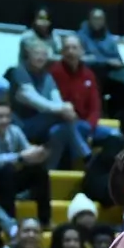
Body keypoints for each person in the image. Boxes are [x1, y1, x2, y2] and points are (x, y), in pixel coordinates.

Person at [0, 99, 53, 229]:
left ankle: (45, 220)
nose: (4, 120)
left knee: (39, 171)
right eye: (0, 116)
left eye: (7, 116)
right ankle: (10, 220)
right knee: (7, 170)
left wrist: (38, 153)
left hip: (9, 177)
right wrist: (21, 157)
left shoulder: (14, 130)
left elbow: (27, 150)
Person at [12, 35, 90, 166]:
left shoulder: (47, 75)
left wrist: (65, 108)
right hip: (22, 125)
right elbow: (34, 100)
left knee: (61, 129)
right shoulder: (19, 71)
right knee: (63, 119)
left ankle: (49, 171)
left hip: (44, 123)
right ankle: (85, 155)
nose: (41, 57)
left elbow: (56, 98)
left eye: (44, 54)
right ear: (28, 54)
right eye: (37, 53)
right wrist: (63, 109)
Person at [77, 8, 124, 122]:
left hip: (110, 74)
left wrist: (116, 64)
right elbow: (81, 59)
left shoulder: (109, 38)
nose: (97, 21)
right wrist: (105, 61)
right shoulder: (81, 36)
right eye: (95, 18)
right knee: (99, 71)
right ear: (89, 20)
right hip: (91, 74)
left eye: (100, 19)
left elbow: (118, 60)